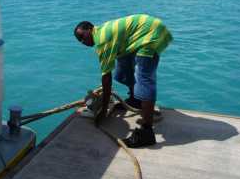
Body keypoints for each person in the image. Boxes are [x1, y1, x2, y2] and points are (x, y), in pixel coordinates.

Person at [74, 14, 173, 148]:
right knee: (124, 63)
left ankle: (147, 132)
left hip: (150, 34)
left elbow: (106, 77)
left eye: (82, 36)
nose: (83, 42)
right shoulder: (102, 32)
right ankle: (135, 100)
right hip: (148, 31)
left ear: (90, 29)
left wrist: (103, 111)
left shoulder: (102, 41)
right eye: (79, 40)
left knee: (144, 79)